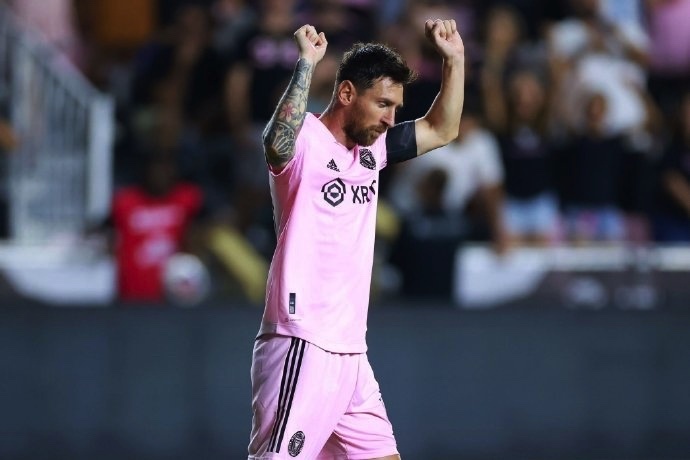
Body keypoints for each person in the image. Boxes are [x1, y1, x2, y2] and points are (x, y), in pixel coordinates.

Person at [248, 20, 465, 460]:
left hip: (351, 351)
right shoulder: (305, 140)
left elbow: (442, 129)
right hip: (302, 340)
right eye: (383, 104)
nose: (391, 119)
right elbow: (275, 144)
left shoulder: (373, 150)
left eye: (396, 107)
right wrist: (306, 64)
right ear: (347, 93)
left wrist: (455, 60)